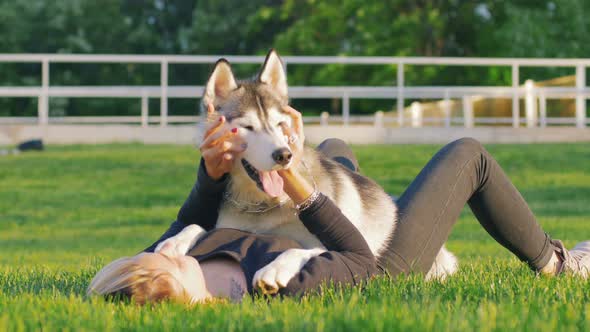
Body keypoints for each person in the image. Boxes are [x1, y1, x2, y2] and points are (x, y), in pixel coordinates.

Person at [87, 105, 590, 305]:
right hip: (382, 260)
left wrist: (213, 172)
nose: (170, 249)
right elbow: (356, 259)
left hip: (336, 227)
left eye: (154, 253)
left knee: (333, 151)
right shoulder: (271, 285)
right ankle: (557, 264)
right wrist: (295, 176)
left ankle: (367, 191)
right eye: (165, 260)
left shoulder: (190, 261)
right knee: (467, 155)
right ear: (182, 294)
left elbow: (189, 221)